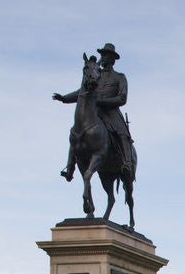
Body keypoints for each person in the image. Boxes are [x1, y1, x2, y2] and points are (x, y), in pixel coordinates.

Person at [54, 43, 132, 180]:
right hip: (94, 111)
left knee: (123, 133)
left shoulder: (120, 77)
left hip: (111, 112)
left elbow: (122, 98)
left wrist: (103, 102)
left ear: (112, 59)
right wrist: (64, 98)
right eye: (102, 55)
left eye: (106, 55)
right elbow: (81, 92)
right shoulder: (95, 73)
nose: (103, 58)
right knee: (76, 132)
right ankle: (70, 167)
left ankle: (127, 163)